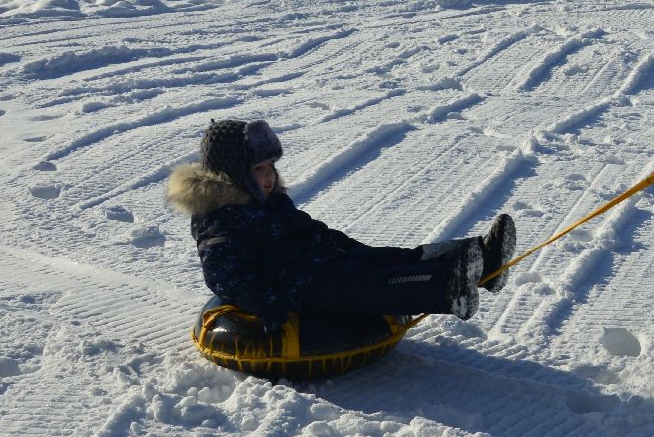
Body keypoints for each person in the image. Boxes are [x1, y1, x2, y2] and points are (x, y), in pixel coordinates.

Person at [167, 118, 516, 329]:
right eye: (259, 169)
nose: (269, 176)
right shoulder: (219, 217)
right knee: (369, 284)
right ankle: (447, 286)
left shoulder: (269, 200)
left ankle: (481, 258)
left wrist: (338, 242)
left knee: (385, 258)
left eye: (271, 166)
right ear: (231, 175)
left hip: (319, 260)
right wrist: (267, 304)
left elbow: (301, 227)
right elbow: (223, 273)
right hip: (300, 287)